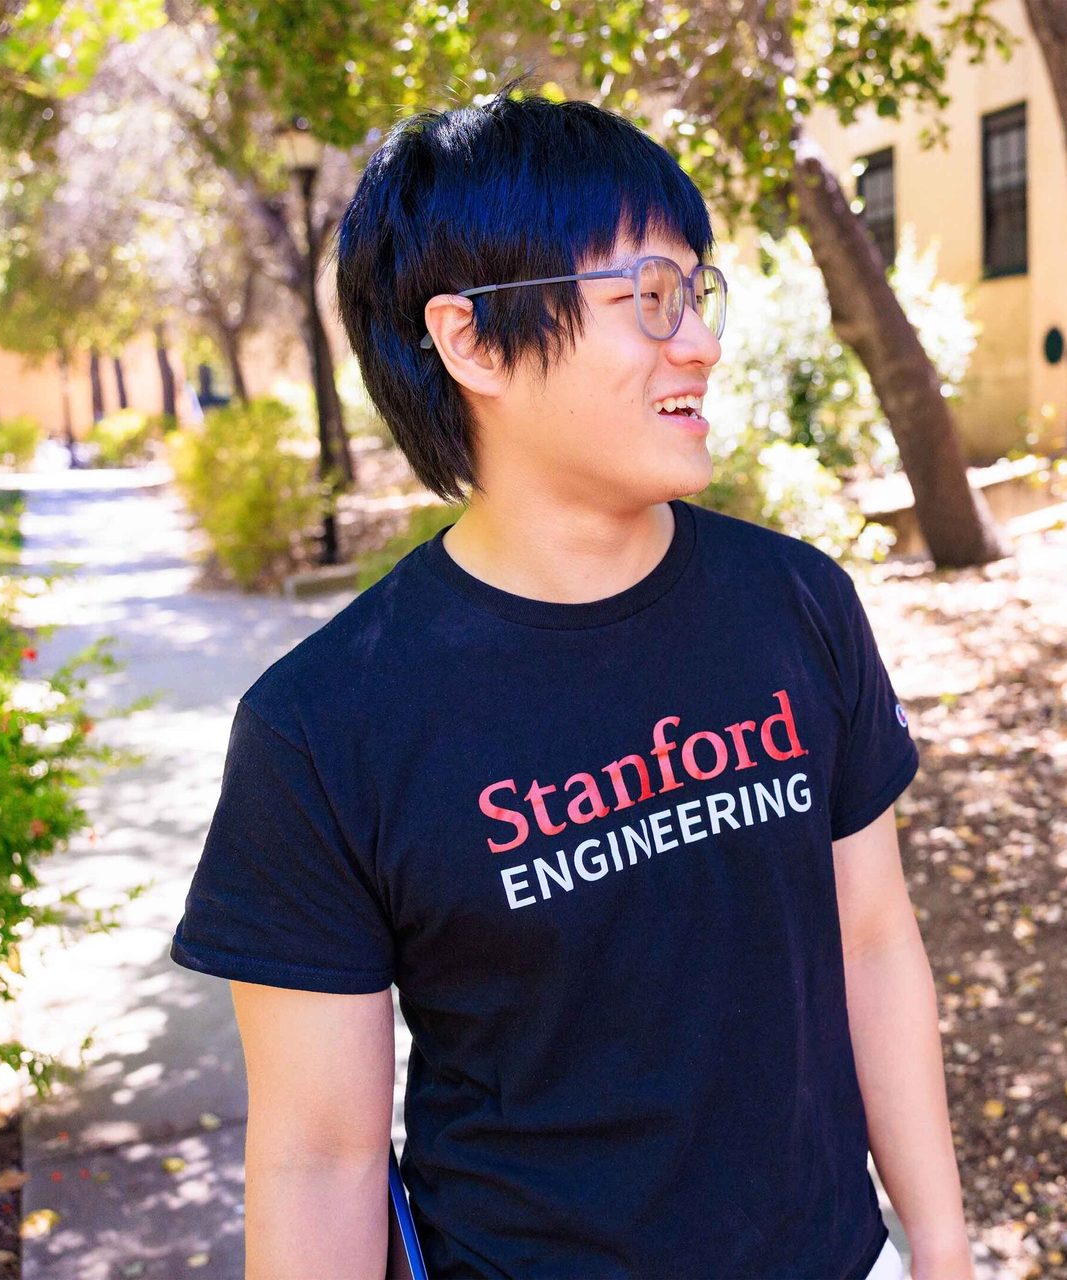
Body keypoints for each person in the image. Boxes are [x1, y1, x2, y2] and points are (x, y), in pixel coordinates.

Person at [170, 91, 972, 1280]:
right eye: (647, 297)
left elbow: (871, 944)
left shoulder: (798, 603)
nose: (696, 338)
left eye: (697, 293)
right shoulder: (325, 727)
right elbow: (320, 1156)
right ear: (474, 341)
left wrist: (944, 1248)